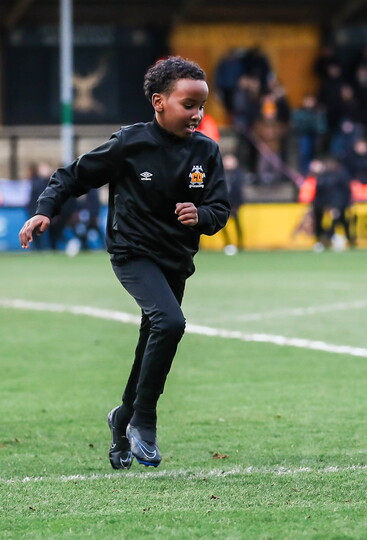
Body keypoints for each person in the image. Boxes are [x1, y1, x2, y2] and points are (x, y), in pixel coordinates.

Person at [19, 56, 230, 468]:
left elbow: (220, 208)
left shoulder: (207, 151)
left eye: (201, 105)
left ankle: (122, 419)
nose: (197, 114)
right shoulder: (130, 143)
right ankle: (144, 420)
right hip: (132, 253)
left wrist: (201, 216)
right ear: (159, 102)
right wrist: (45, 209)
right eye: (188, 104)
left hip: (176, 259)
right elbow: (72, 176)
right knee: (170, 323)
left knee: (152, 336)